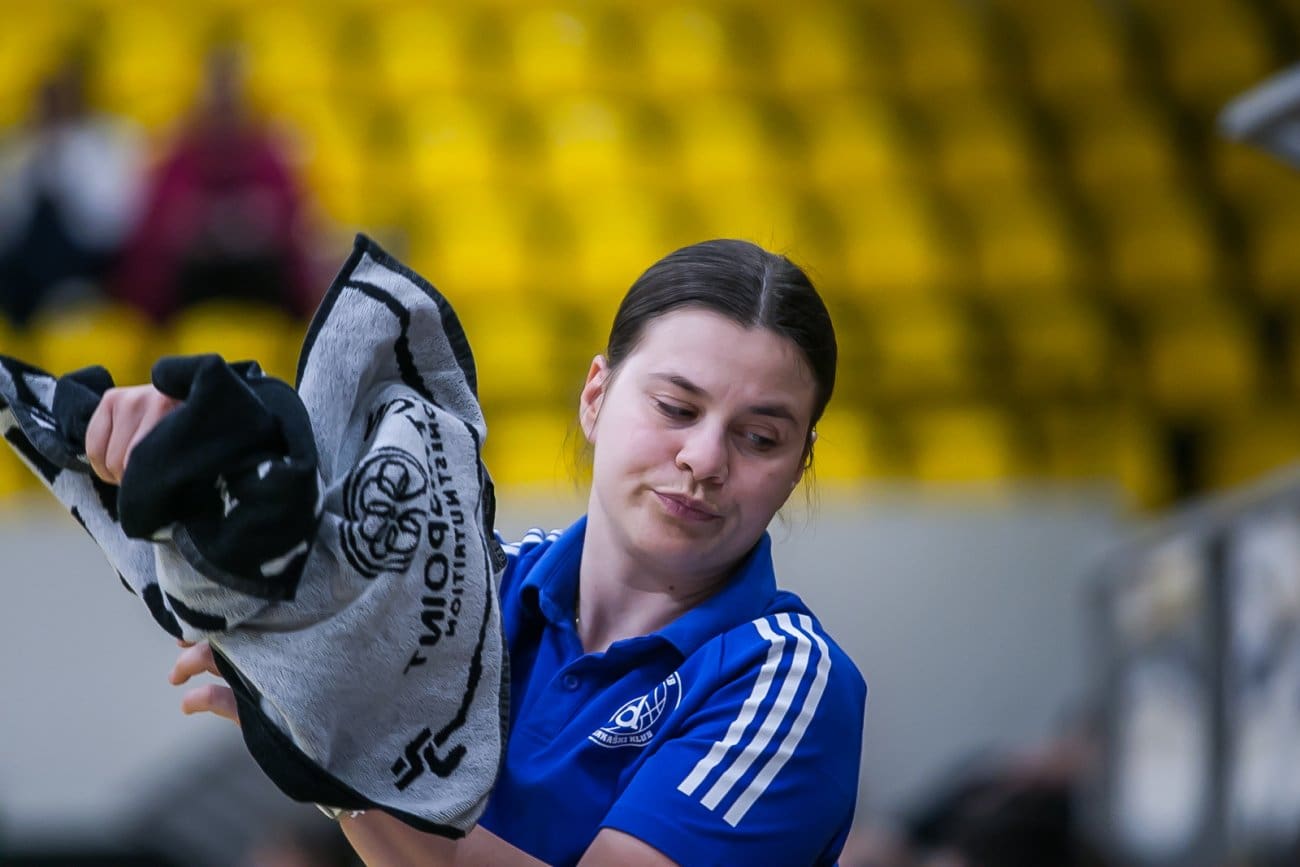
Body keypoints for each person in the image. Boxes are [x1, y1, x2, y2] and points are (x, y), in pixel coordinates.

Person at [87, 238, 868, 866]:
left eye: (759, 437)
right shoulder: (471, 581)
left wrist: (333, 750)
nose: (704, 458)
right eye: (675, 406)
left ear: (799, 463)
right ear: (595, 396)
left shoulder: (788, 679)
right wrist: (174, 441)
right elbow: (296, 529)